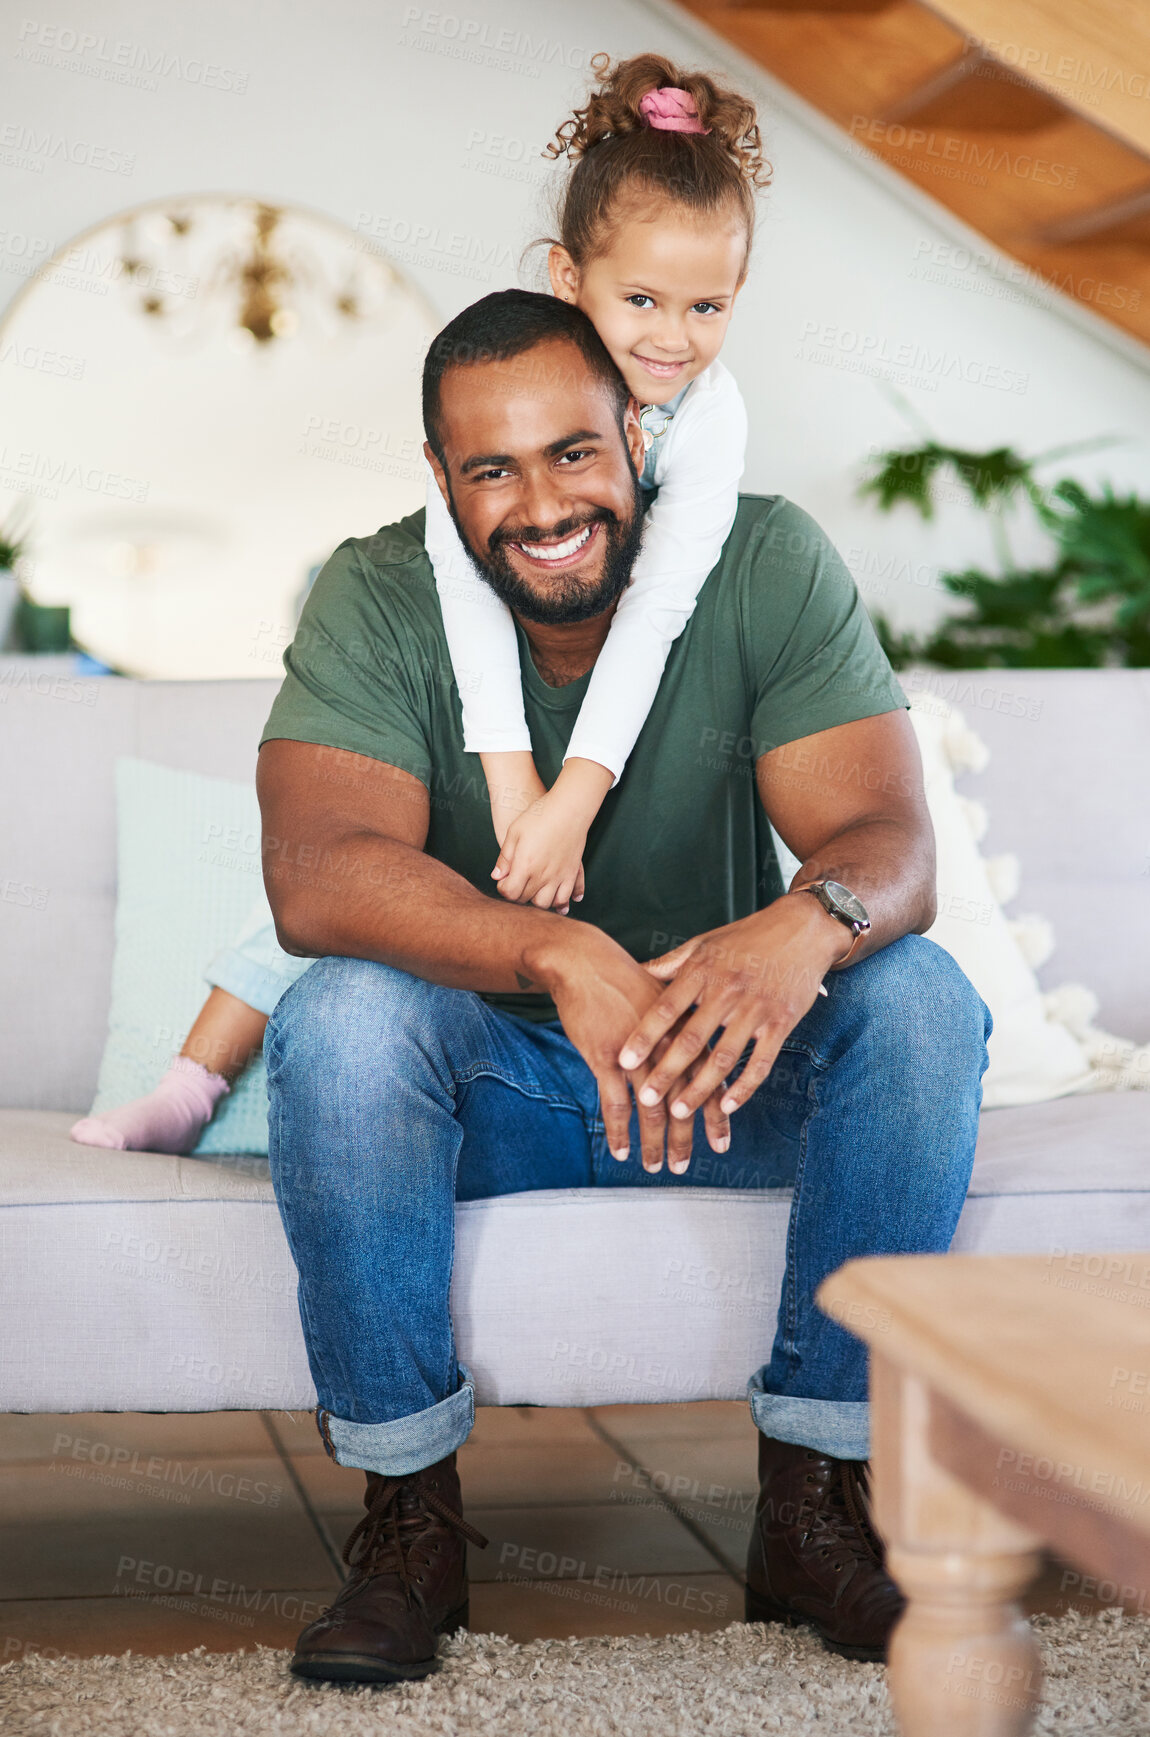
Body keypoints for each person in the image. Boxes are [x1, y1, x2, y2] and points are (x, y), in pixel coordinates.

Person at [256, 285, 992, 1685]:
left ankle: (812, 1511)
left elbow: (889, 845)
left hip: (727, 1067)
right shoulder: (379, 591)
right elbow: (318, 872)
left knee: (921, 1000)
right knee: (338, 1023)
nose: (541, 504)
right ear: (441, 481)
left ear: (635, 440)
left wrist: (801, 924)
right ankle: (409, 1529)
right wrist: (554, 948)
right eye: (492, 469)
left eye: (574, 454)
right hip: (504, 1088)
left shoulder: (762, 559)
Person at [69, 50, 763, 1157]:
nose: (671, 339)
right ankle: (192, 1083)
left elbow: (656, 608)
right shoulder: (497, 392)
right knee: (344, 899)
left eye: (708, 306)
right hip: (491, 760)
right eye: (640, 299)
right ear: (567, 276)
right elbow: (465, 590)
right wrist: (512, 780)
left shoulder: (707, 423)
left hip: (606, 735)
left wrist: (575, 798)